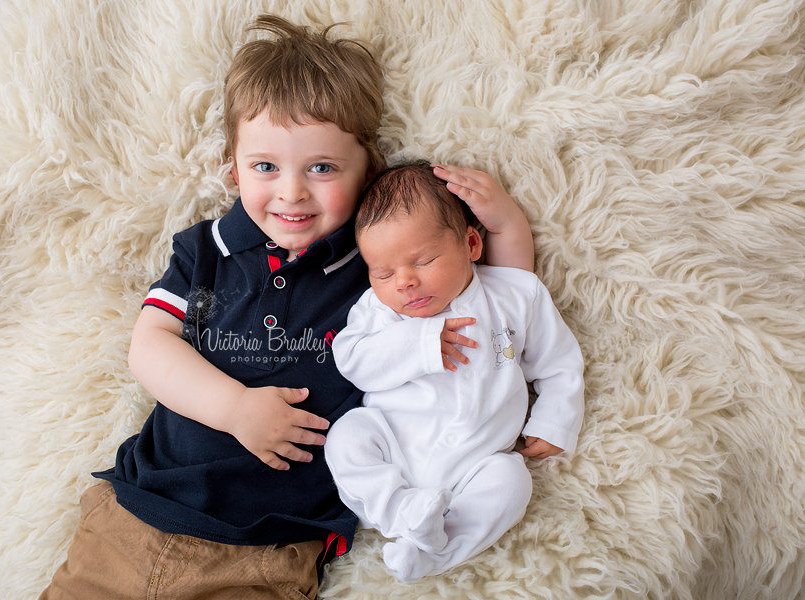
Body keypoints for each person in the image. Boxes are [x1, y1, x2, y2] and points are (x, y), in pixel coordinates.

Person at [39, 15, 535, 600]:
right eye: (265, 167)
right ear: (233, 167)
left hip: (272, 550)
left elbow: (498, 299)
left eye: (321, 168)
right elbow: (149, 346)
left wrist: (504, 221)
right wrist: (235, 409)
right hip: (140, 514)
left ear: (368, 172)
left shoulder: (371, 268)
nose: (292, 191)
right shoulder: (207, 251)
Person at [325, 162, 585, 582]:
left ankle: (434, 552)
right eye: (383, 272)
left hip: (477, 463)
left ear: (471, 244)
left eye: (423, 260)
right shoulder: (378, 310)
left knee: (512, 484)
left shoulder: (513, 295)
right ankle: (401, 513)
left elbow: (559, 361)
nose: (404, 282)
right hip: (395, 449)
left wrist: (556, 419)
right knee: (348, 436)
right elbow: (353, 361)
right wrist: (419, 344)